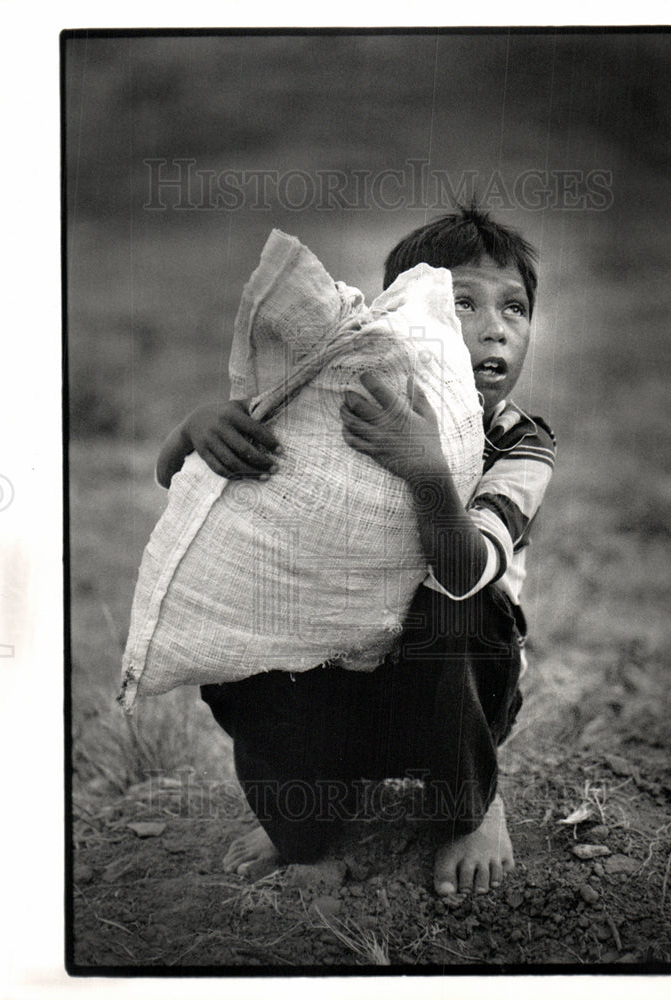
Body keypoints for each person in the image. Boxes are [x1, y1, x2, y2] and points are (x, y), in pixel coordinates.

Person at [156, 206, 555, 896]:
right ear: (404, 320)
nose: (495, 326)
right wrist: (198, 428)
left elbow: (465, 574)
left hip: (457, 687)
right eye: (462, 302)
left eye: (513, 309)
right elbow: (178, 482)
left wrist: (427, 471)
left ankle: (471, 808)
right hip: (338, 675)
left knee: (443, 606)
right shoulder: (342, 403)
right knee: (253, 614)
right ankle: (304, 823)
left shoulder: (519, 444)